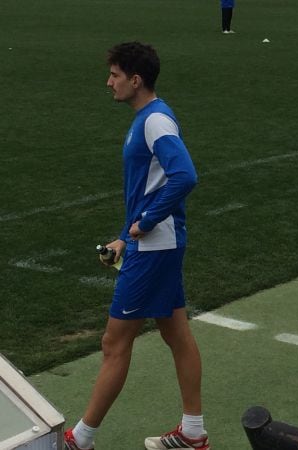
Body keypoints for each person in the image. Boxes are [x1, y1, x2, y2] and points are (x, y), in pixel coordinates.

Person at [63, 42, 209, 450]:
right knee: (176, 332)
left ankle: (81, 439)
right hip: (154, 245)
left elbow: (185, 176)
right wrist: (125, 237)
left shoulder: (154, 122)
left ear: (136, 79)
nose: (108, 82)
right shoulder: (148, 117)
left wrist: (143, 225)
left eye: (114, 74)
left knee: (114, 342)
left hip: (155, 248)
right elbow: (155, 186)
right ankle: (194, 432)